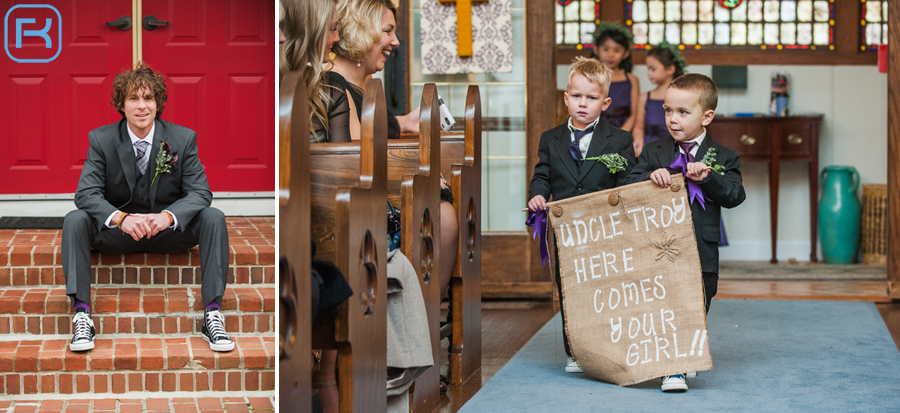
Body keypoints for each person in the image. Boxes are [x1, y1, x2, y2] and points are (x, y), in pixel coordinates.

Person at [62, 63, 233, 353]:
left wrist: (169, 217)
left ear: (158, 103)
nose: (142, 106)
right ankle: (82, 314)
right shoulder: (101, 140)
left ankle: (213, 314)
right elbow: (86, 193)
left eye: (149, 98)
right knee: (75, 219)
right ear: (122, 105)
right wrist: (121, 219)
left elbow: (201, 192)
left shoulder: (182, 138)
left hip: (167, 232)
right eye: (134, 99)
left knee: (213, 217)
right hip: (119, 234)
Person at [623, 73, 746, 392]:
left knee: (699, 302)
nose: (672, 119)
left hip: (701, 248)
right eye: (667, 110)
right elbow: (626, 186)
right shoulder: (653, 151)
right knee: (667, 305)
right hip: (660, 247)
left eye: (682, 112)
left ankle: (686, 351)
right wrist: (651, 175)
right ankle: (672, 369)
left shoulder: (724, 156)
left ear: (707, 116)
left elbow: (735, 196)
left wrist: (708, 178)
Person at [527, 56, 637, 374]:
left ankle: (607, 347)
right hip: (567, 231)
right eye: (577, 96)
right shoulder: (551, 139)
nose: (583, 104)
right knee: (570, 290)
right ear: (566, 98)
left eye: (591, 98)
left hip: (605, 231)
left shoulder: (619, 140)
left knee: (604, 289)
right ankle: (574, 350)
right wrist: (537, 193)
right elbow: (543, 175)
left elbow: (627, 182)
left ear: (605, 102)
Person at [327, 0, 419, 140]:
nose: (396, 42)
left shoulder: (366, 79)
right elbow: (359, 156)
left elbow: (371, 130)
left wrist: (405, 122)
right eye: (388, 31)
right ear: (359, 33)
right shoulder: (334, 88)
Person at [280, 0, 350, 143]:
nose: (337, 38)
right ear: (306, 31)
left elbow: (342, 162)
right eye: (332, 29)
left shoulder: (330, 91)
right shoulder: (257, 85)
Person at [632, 42, 685, 157]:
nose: (649, 73)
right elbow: (639, 126)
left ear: (670, 69)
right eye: (648, 69)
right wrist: (638, 140)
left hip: (675, 147)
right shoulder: (645, 97)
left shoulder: (683, 96)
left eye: (653, 69)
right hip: (649, 147)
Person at [593, 22, 639, 132]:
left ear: (626, 53)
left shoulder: (632, 80)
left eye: (617, 50)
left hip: (624, 132)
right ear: (596, 50)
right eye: (606, 49)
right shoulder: (591, 78)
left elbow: (635, 114)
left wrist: (620, 135)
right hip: (597, 131)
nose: (611, 54)